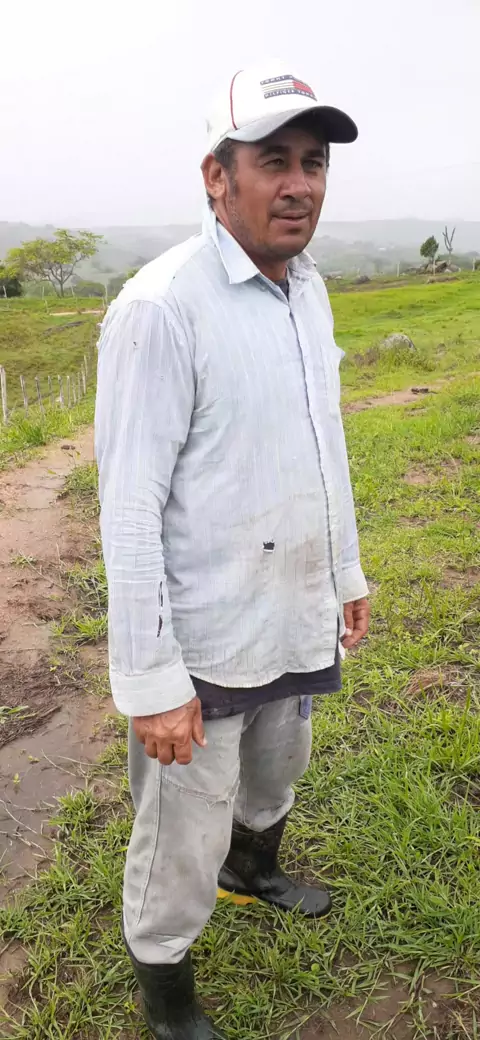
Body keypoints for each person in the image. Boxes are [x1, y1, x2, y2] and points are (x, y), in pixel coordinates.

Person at [95, 63, 370, 1040]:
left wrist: (344, 570)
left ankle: (253, 868)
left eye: (313, 162)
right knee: (184, 822)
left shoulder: (307, 290)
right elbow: (129, 507)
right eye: (273, 161)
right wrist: (150, 679)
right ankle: (165, 978)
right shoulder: (162, 307)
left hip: (291, 602)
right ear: (217, 176)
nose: (299, 184)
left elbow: (323, 439)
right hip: (205, 633)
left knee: (277, 763)